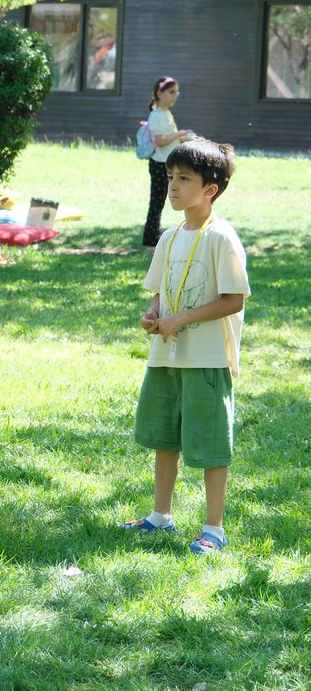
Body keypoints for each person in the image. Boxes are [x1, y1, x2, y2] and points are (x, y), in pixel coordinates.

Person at [121, 140, 249, 555]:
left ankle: (214, 528)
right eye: (170, 178)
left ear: (209, 189)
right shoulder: (170, 237)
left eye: (183, 179)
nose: (172, 187)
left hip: (207, 359)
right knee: (165, 438)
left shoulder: (222, 238)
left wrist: (180, 320)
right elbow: (158, 292)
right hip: (166, 356)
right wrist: (153, 314)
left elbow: (234, 298)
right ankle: (161, 516)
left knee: (210, 443)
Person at [143, 77, 194, 248]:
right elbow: (160, 141)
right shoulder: (156, 115)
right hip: (159, 164)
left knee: (161, 201)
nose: (175, 95)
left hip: (167, 163)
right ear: (160, 93)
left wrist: (183, 139)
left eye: (176, 92)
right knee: (156, 202)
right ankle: (150, 240)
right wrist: (179, 134)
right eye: (171, 92)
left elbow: (169, 139)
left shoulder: (166, 113)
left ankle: (155, 236)